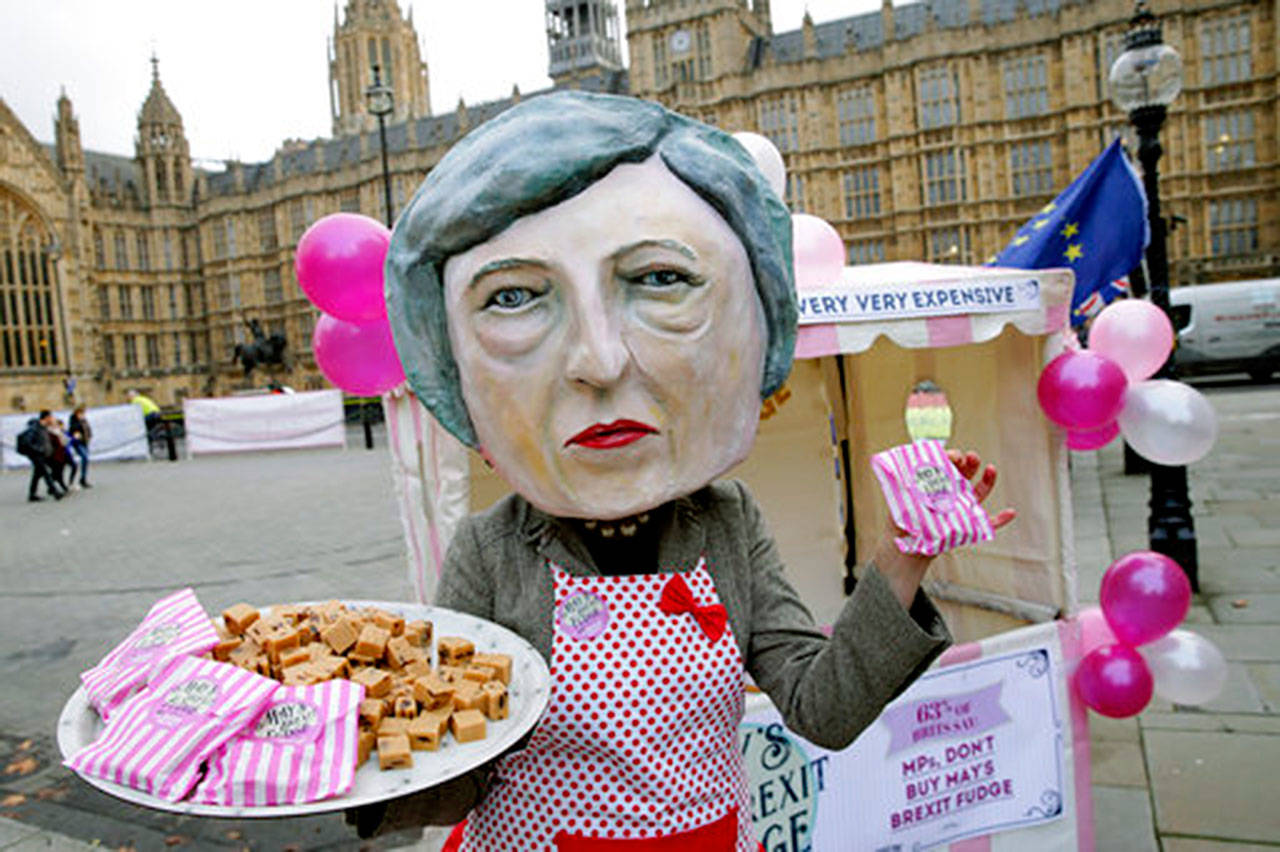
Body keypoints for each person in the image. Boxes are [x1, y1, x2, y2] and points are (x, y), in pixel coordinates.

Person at [369, 92, 1015, 849]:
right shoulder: (491, 550)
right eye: (514, 299)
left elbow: (823, 708)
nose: (601, 362)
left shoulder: (727, 523)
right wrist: (365, 762)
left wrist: (902, 562)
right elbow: (459, 771)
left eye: (660, 280)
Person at [16, 411, 64, 502]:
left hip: (44, 454)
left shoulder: (43, 428)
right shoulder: (34, 428)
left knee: (37, 474)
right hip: (37, 455)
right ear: (46, 418)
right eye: (51, 417)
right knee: (45, 472)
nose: (52, 419)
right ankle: (55, 492)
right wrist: (39, 450)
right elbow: (28, 442)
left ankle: (32, 494)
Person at [68, 405, 92, 487]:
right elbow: (72, 430)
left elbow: (87, 428)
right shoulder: (73, 421)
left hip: (85, 442)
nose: (82, 415)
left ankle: (83, 478)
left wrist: (89, 435)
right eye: (81, 413)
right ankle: (82, 478)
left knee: (85, 459)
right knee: (84, 457)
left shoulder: (84, 420)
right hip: (78, 443)